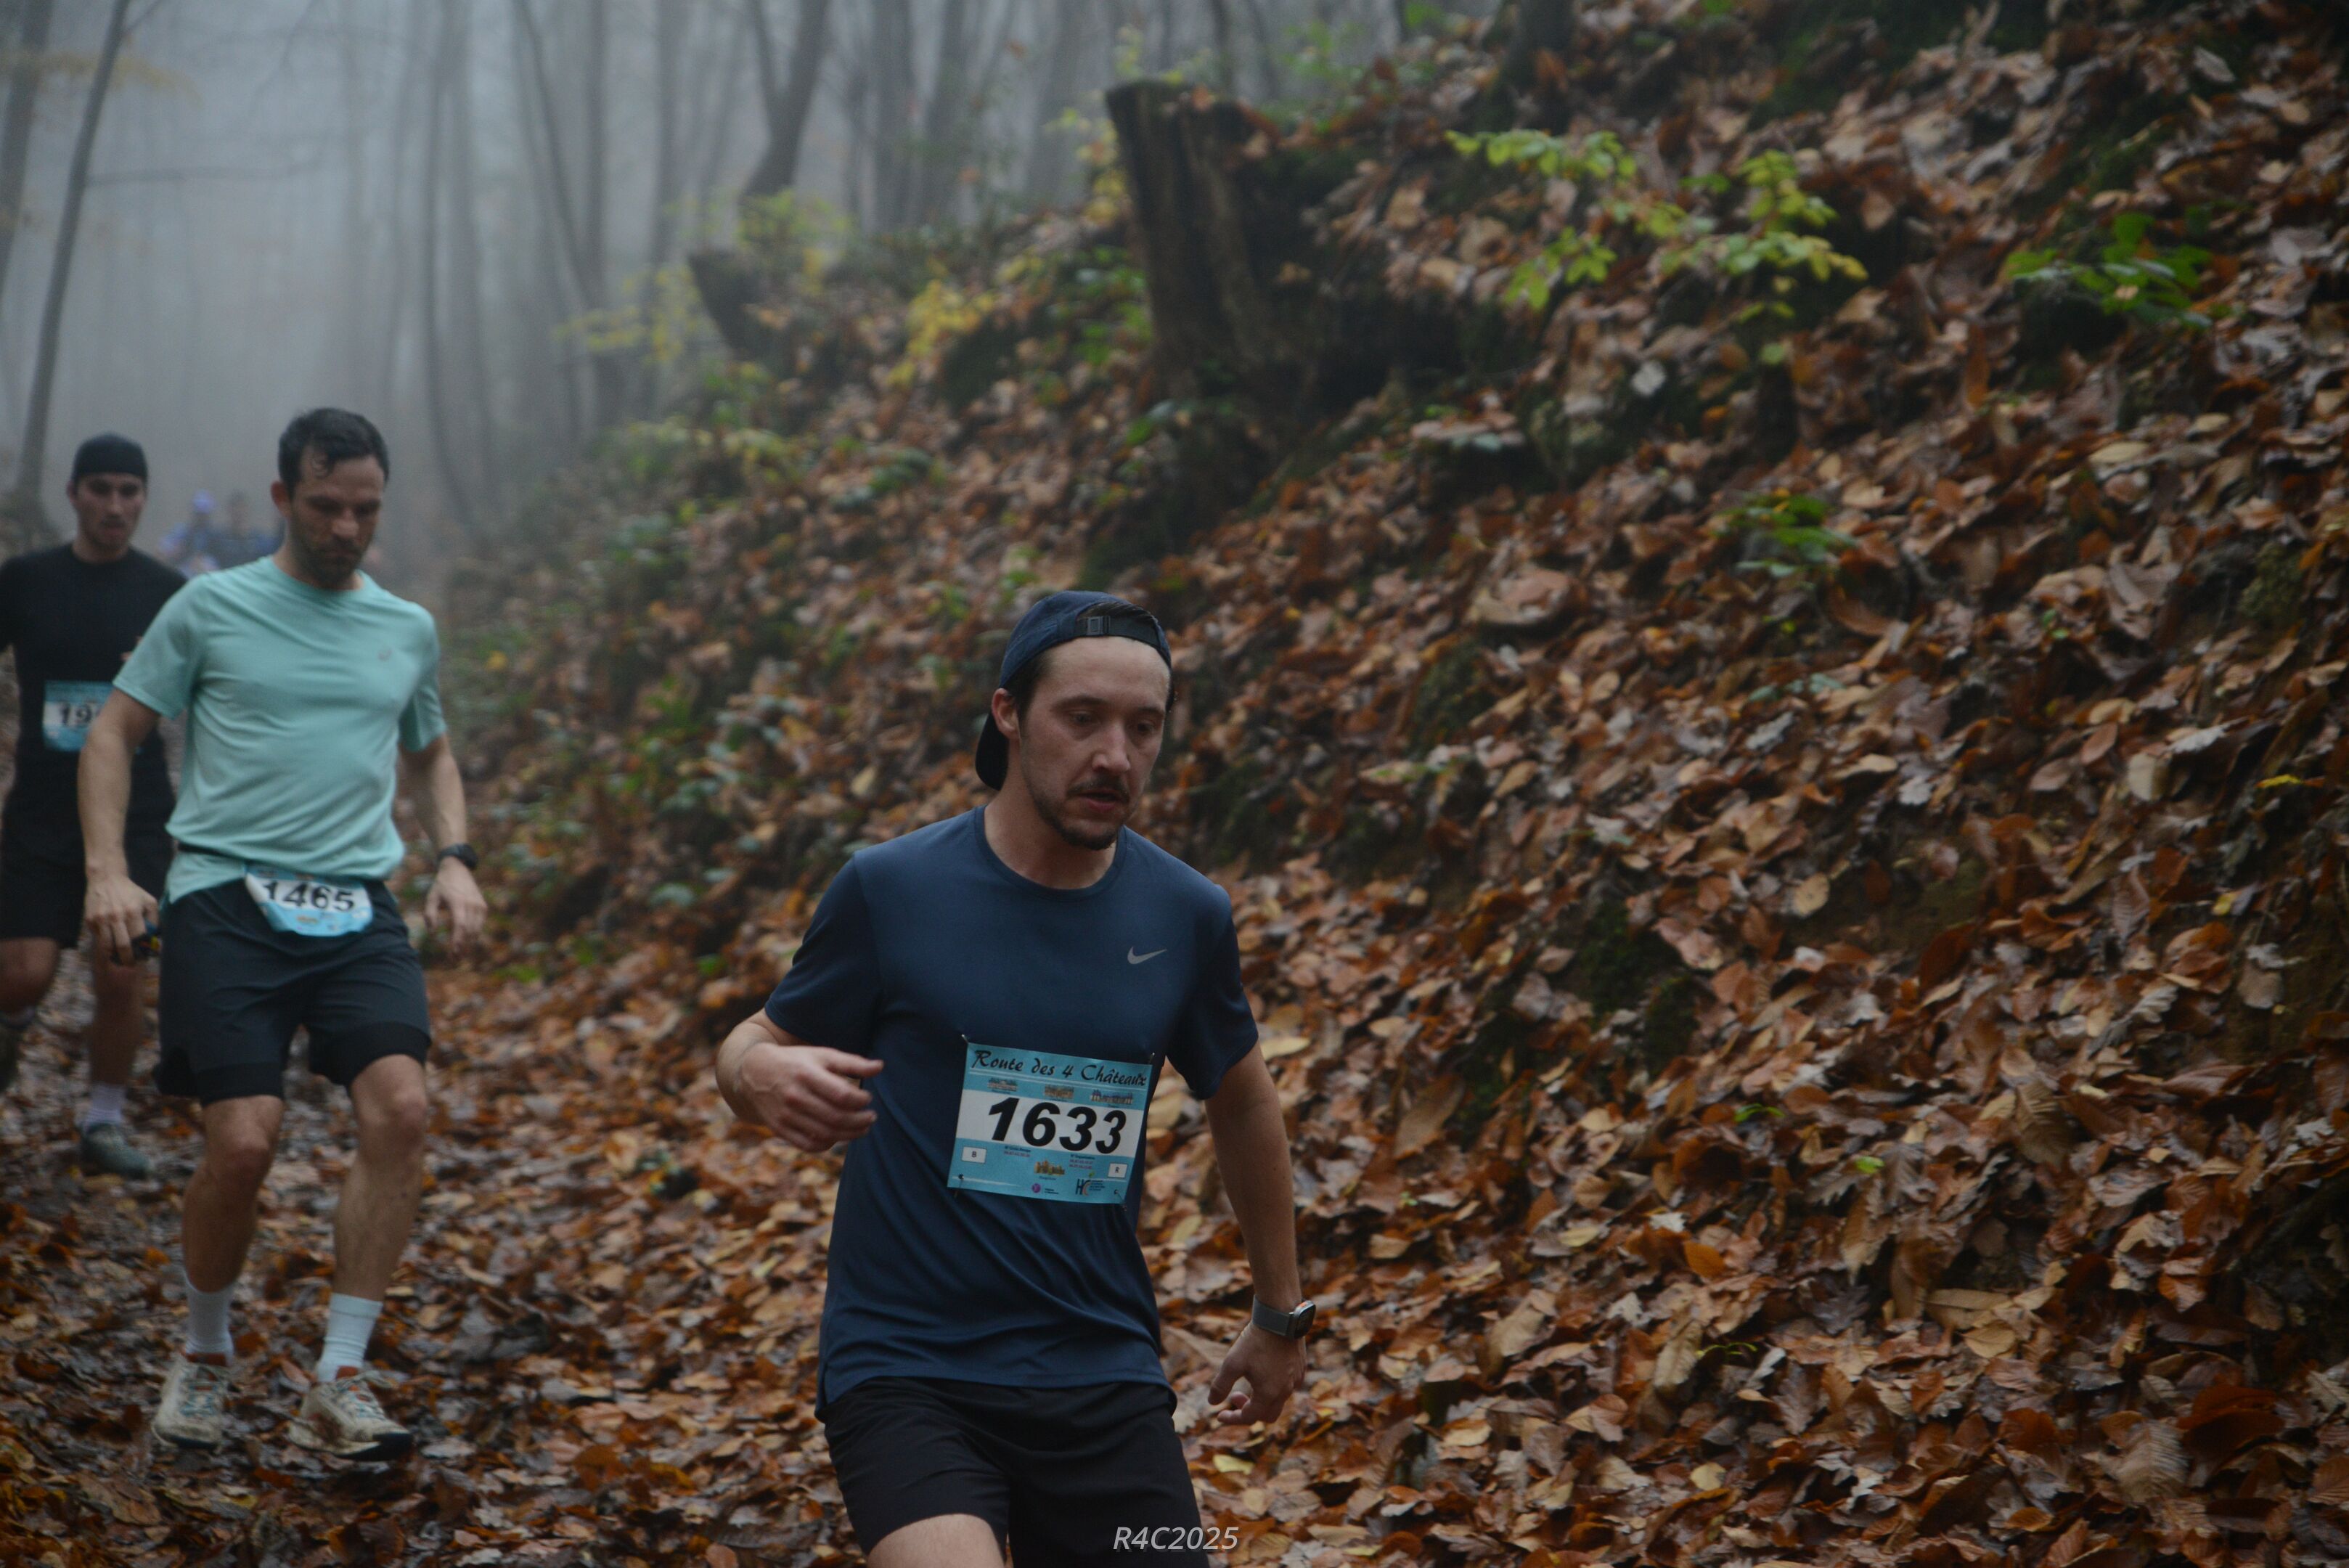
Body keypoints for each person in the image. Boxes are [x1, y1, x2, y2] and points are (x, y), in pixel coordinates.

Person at [714, 591, 1312, 1567]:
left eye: (1143, 727)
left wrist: (1280, 1315)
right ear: (1008, 715)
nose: (1114, 756)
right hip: (908, 1371)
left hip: (1103, 1374)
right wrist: (758, 1073)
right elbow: (749, 1041)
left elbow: (1242, 1098)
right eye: (1082, 718)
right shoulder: (892, 890)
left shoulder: (1186, 914)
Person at [79, 408, 486, 1459]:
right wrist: (110, 871)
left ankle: (340, 1378)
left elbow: (430, 752)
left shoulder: (405, 627)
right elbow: (114, 733)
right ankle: (205, 1353)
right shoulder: (210, 608)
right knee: (244, 1141)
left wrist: (453, 858)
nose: (347, 528)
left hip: (357, 902)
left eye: (366, 510)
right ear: (281, 499)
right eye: (325, 506)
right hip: (225, 896)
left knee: (402, 1110)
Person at [0, 433, 183, 1176]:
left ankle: (104, 1123)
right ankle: (12, 1032)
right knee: (23, 971)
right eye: (101, 489)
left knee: (123, 969)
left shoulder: (170, 593)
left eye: (128, 491)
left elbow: (211, 693)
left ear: (143, 500)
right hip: (43, 808)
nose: (115, 505)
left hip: (139, 812)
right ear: (74, 494)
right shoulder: (24, 580)